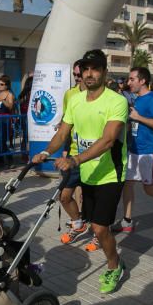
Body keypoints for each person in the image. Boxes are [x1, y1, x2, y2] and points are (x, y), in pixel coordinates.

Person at [33, 49, 129, 294]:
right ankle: (112, 257)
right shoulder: (75, 100)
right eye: (85, 69)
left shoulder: (116, 101)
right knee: (94, 223)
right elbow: (63, 133)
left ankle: (114, 265)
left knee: (99, 228)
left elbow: (108, 141)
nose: (89, 73)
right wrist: (46, 152)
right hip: (88, 172)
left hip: (110, 173)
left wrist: (74, 159)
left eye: (95, 68)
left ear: (105, 72)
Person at [111, 66, 153, 234]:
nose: (129, 82)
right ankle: (127, 220)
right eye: (128, 79)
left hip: (149, 152)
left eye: (132, 79)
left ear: (142, 81)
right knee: (128, 184)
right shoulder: (137, 99)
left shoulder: (152, 99)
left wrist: (138, 117)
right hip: (134, 150)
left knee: (149, 189)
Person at [59, 60, 90, 244]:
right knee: (64, 196)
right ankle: (78, 222)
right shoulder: (69, 94)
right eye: (75, 75)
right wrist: (64, 149)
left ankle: (97, 232)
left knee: (90, 197)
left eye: (80, 75)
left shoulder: (100, 96)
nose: (78, 79)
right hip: (72, 154)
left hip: (93, 155)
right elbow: (66, 124)